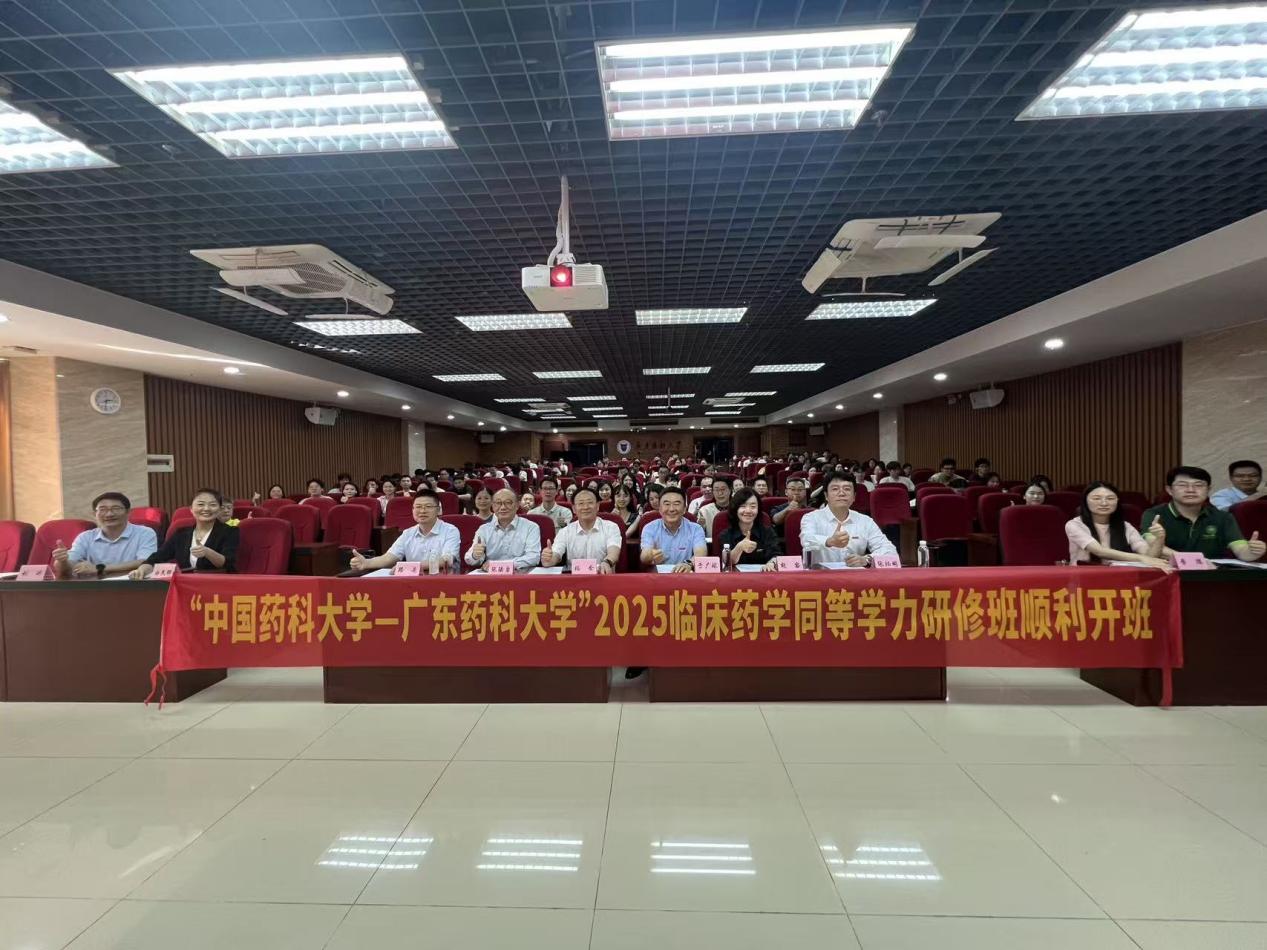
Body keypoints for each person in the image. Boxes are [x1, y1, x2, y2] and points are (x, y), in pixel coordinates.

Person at [1142, 466, 1266, 562]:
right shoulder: (1154, 514)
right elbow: (1153, 544)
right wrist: (1194, 561)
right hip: (1169, 574)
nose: (1191, 490)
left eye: (1198, 485)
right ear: (1169, 490)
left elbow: (1240, 549)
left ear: (1208, 490)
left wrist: (1252, 552)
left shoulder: (1223, 517)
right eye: (1182, 485)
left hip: (1210, 576)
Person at [131, 489, 238, 578]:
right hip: (186, 584)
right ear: (191, 509)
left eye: (213, 505)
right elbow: (157, 557)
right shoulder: (181, 533)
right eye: (200, 504)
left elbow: (228, 563)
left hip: (218, 583)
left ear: (219, 509)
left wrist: (207, 552)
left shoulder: (230, 531)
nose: (206, 509)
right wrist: (143, 568)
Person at [800, 472, 898, 567]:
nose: (841, 493)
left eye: (847, 489)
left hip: (855, 576)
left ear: (854, 496)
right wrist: (829, 541)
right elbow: (807, 541)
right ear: (826, 496)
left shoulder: (865, 521)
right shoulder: (811, 518)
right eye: (835, 489)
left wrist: (866, 560)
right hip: (820, 575)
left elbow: (890, 551)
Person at [53, 492, 158, 578]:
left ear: (128, 512)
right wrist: (62, 561)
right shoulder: (85, 537)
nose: (109, 514)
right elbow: (68, 566)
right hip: (94, 589)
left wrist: (99, 568)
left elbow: (146, 561)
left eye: (116, 508)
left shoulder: (144, 533)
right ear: (94, 514)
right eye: (103, 509)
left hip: (132, 586)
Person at [351, 491, 460, 573]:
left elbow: (446, 560)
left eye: (428, 506)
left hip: (442, 582)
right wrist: (366, 563)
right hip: (412, 584)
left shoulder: (450, 531)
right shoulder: (408, 533)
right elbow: (389, 557)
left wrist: (408, 567)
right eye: (418, 507)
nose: (422, 511)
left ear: (438, 510)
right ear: (412, 510)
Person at [1066, 482, 1169, 568]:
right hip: (1083, 578)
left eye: (1110, 498)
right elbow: (1099, 551)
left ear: (1117, 501)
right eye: (1096, 498)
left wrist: (1160, 538)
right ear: (1085, 501)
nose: (1104, 503)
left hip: (1118, 578)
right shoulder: (1074, 525)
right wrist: (1140, 558)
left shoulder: (1126, 526)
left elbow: (1149, 557)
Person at [543, 487, 621, 573]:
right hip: (575, 579)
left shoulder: (611, 527)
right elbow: (556, 552)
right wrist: (550, 559)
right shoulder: (565, 531)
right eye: (581, 503)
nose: (585, 507)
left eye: (590, 503)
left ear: (598, 506)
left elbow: (613, 552)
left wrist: (607, 562)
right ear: (574, 508)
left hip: (603, 576)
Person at [464, 489, 541, 572]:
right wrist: (475, 555)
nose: (503, 507)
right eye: (498, 503)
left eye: (508, 503)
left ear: (517, 505)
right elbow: (469, 559)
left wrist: (500, 565)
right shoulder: (484, 529)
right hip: (492, 576)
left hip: (522, 575)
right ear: (493, 506)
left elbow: (534, 557)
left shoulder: (531, 527)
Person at [640, 486, 706, 573]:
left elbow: (701, 553)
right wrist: (650, 555)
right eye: (667, 504)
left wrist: (688, 563)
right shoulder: (650, 528)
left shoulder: (696, 529)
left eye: (676, 504)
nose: (671, 509)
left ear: (684, 509)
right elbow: (644, 555)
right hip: (658, 577)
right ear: (660, 509)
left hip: (685, 575)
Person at [720, 487, 780, 571]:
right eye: (743, 506)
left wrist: (771, 563)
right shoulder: (726, 534)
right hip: (735, 578)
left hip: (763, 576)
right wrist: (739, 547)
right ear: (735, 509)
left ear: (758, 509)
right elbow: (726, 562)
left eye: (753, 506)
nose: (748, 511)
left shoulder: (767, 532)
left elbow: (776, 555)